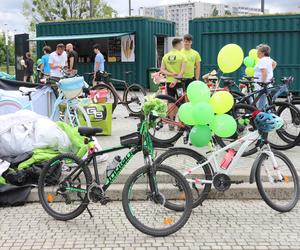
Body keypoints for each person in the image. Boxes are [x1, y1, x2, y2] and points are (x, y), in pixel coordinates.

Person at [254, 43, 277, 109]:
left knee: (261, 105)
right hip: (268, 84)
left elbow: (264, 72)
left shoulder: (262, 60)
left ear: (262, 53)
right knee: (264, 102)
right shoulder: (269, 59)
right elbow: (275, 63)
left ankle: (262, 117)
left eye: (258, 51)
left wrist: (263, 83)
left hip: (262, 85)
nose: (257, 53)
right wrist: (271, 71)